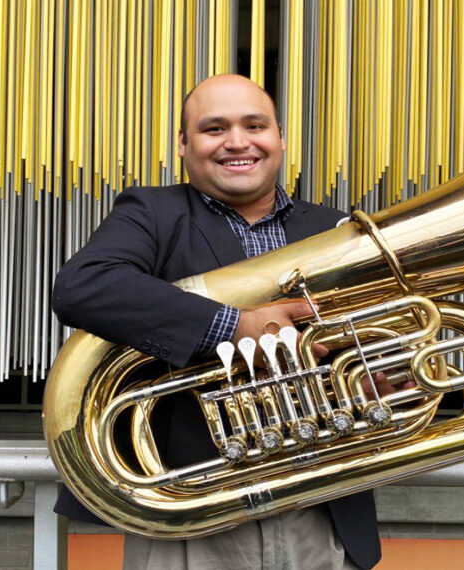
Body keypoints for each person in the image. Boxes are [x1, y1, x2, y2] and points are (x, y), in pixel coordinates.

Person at [51, 74, 381, 569]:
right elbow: (85, 285)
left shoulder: (336, 230)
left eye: (255, 125)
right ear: (184, 144)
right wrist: (236, 327)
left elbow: (377, 337)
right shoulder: (153, 213)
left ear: (280, 138)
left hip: (321, 511)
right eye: (214, 128)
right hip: (192, 516)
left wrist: (384, 375)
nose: (237, 141)